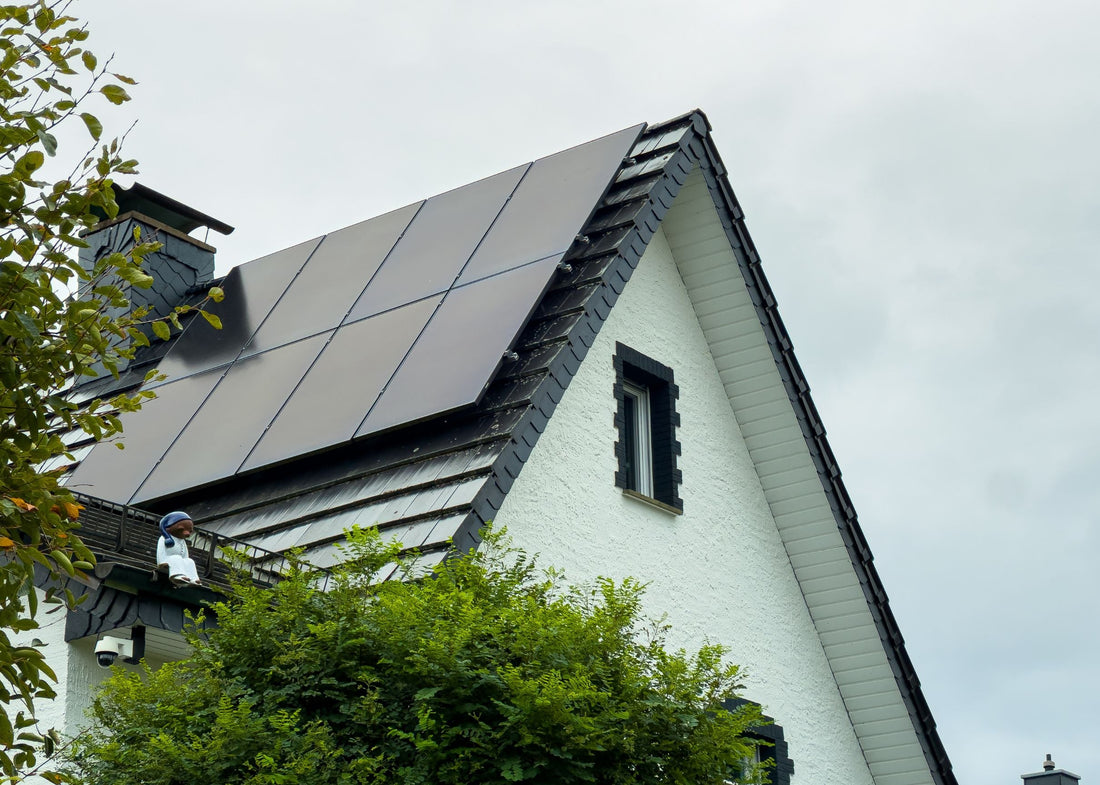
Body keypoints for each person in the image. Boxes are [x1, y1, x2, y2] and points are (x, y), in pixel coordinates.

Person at [156, 511, 201, 586]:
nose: (187, 534)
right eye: (181, 529)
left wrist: (185, 562)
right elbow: (161, 552)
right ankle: (177, 576)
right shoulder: (164, 539)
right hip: (166, 562)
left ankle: (193, 579)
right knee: (176, 558)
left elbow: (185, 555)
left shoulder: (182, 541)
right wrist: (162, 562)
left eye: (189, 531)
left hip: (179, 563)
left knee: (190, 561)